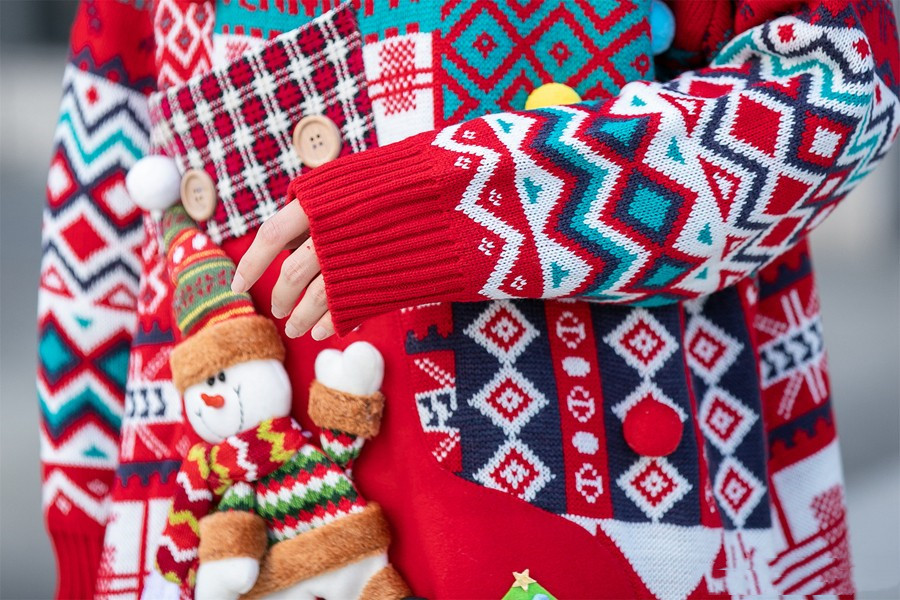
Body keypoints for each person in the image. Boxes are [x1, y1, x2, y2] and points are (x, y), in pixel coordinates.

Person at [37, 0, 899, 598]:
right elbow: (99, 211)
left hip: (614, 528)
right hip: (231, 535)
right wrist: (82, 523)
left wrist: (474, 203)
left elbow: (846, 84)